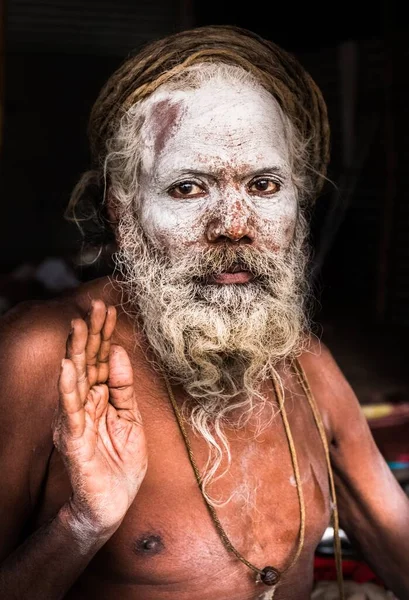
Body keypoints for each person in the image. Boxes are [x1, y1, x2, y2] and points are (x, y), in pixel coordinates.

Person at [0, 25, 408, 600]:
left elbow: (397, 540)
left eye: (264, 185)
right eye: (189, 188)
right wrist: (80, 527)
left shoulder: (305, 365)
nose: (234, 225)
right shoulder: (47, 354)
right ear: (124, 208)